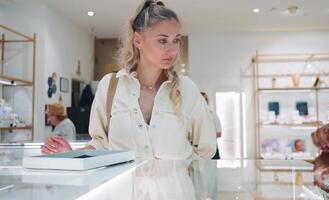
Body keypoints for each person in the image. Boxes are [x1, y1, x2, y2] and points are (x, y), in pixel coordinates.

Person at [42, 0, 216, 159]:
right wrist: (71, 155)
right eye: (162, 41)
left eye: (176, 40)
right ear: (138, 40)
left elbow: (206, 150)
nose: (172, 50)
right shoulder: (109, 86)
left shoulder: (187, 89)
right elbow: (101, 143)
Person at [200, 92, 222, 159]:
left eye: (206, 99)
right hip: (199, 152)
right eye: (202, 100)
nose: (205, 102)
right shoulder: (194, 116)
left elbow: (219, 133)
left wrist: (205, 135)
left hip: (213, 150)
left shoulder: (213, 115)